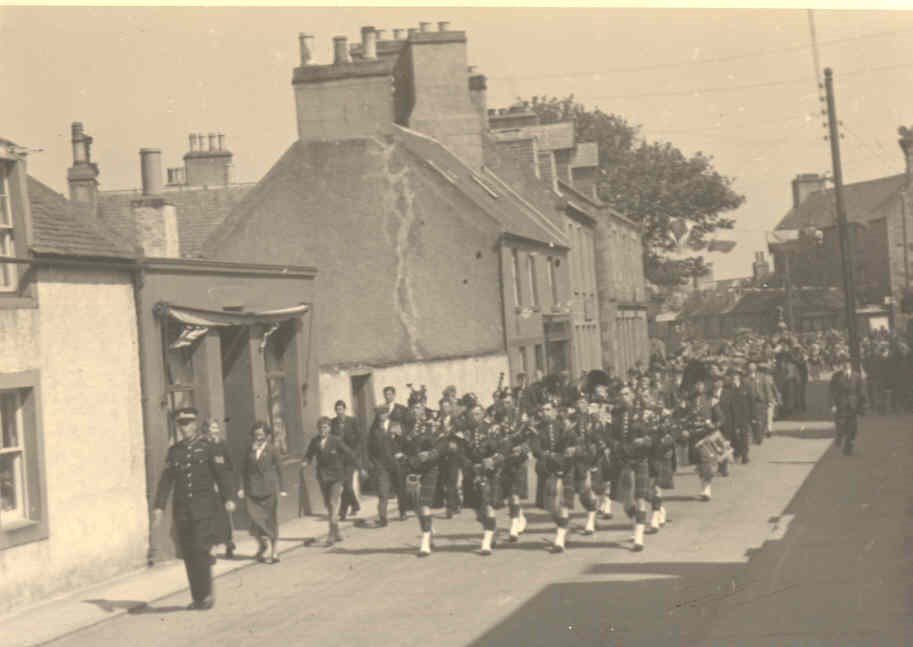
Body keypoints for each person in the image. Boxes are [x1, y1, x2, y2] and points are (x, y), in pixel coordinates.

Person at [152, 407, 236, 610]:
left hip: (204, 509)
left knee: (201, 549)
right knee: (189, 553)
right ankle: (198, 597)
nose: (184, 428)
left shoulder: (208, 447)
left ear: (195, 424)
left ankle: (206, 595)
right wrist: (159, 506)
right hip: (182, 511)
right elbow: (166, 480)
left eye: (188, 423)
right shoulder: (175, 451)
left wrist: (229, 498)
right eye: (181, 424)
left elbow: (222, 475)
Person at [239, 421, 287, 564]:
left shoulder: (272, 449)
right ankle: (262, 544)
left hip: (268, 490)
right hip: (252, 491)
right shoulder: (249, 450)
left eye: (261, 434)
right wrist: (241, 487)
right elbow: (242, 470)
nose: (258, 437)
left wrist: (283, 488)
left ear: (266, 436)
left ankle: (274, 551)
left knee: (270, 521)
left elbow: (280, 469)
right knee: (254, 521)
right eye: (255, 434)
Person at [304, 417, 356, 545]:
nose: (323, 430)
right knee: (328, 505)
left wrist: (346, 468)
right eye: (320, 428)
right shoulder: (315, 441)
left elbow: (349, 453)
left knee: (333, 504)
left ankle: (331, 534)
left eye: (325, 427)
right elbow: (309, 454)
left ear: (330, 428)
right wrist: (305, 462)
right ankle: (337, 532)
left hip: (336, 477)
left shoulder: (335, 441)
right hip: (322, 477)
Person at [203, 419, 237, 561]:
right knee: (213, 518)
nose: (214, 430)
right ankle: (213, 548)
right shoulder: (204, 445)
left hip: (224, 485)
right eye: (212, 427)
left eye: (216, 427)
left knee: (227, 517)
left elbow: (230, 465)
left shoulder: (223, 444)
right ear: (206, 429)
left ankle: (229, 544)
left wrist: (230, 489)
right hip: (210, 486)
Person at [367, 407, 405, 528]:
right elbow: (370, 449)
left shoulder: (395, 425)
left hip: (395, 462)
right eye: (379, 414)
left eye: (383, 414)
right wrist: (374, 463)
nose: (381, 416)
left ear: (387, 414)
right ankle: (383, 517)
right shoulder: (374, 430)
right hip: (381, 465)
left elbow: (403, 441)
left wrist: (400, 452)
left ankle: (402, 511)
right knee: (383, 492)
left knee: (400, 488)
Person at [331, 400, 365, 521]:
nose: (339, 411)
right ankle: (353, 506)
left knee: (348, 485)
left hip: (350, 458)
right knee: (345, 485)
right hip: (339, 459)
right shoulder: (333, 423)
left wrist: (355, 454)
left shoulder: (352, 421)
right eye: (337, 409)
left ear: (344, 409)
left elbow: (359, 439)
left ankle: (344, 510)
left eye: (341, 409)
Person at [829, 353, 867, 455]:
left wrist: (862, 407)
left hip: (853, 405)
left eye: (848, 363)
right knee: (841, 424)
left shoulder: (857, 376)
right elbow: (832, 391)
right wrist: (833, 404)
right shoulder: (836, 376)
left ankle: (848, 447)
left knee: (853, 427)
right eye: (844, 363)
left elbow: (861, 392)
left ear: (851, 365)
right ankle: (839, 435)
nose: (846, 365)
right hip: (841, 404)